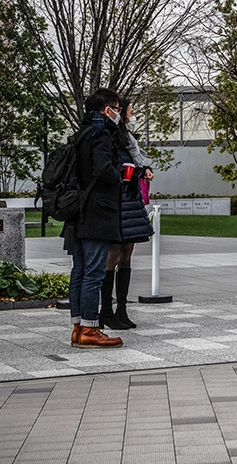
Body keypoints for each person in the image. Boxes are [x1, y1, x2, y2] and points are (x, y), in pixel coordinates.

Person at [65, 88, 125, 348]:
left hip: (77, 210)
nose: (119, 114)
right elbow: (103, 169)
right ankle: (90, 329)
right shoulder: (101, 135)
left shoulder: (81, 134)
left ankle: (78, 327)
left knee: (79, 271)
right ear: (106, 110)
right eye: (117, 108)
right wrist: (121, 174)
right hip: (97, 211)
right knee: (93, 272)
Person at [99, 98, 154, 331]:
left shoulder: (128, 138)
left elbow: (134, 159)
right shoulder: (109, 136)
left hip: (130, 199)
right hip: (117, 198)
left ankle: (122, 308)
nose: (131, 116)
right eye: (129, 111)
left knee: (128, 251)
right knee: (113, 252)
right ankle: (106, 310)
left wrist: (143, 169)